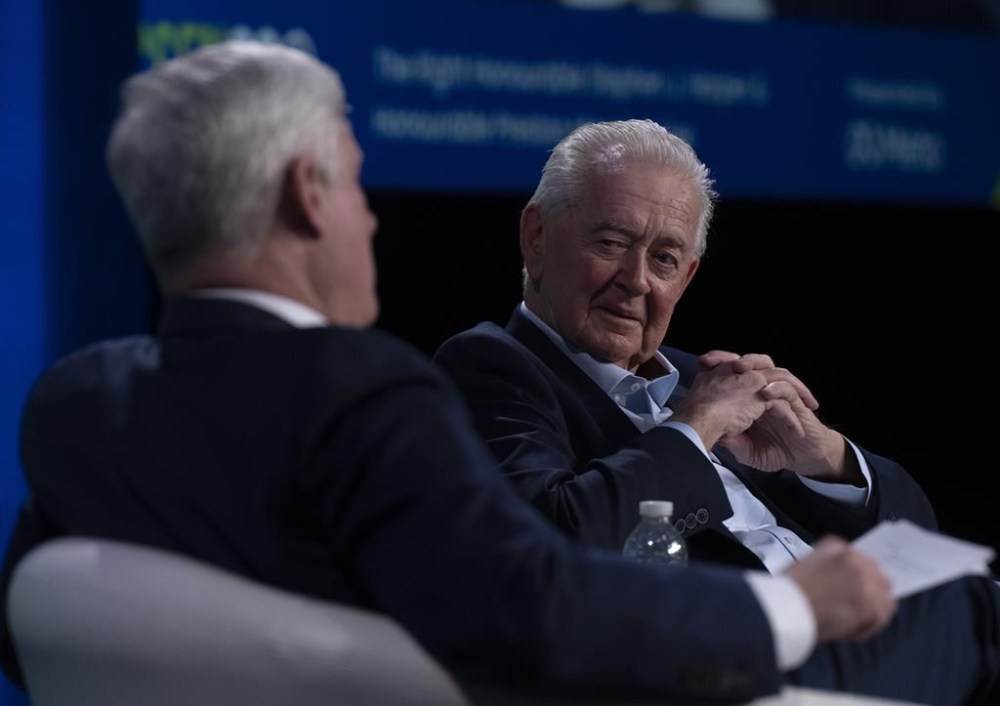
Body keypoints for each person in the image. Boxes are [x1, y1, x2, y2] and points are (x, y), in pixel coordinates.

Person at [0, 41, 997, 706]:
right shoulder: (372, 393)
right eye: (358, 184)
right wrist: (792, 609)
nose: (372, 219)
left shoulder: (76, 399)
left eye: (665, 258)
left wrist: (825, 460)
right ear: (308, 194)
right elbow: (534, 601)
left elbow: (33, 624)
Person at [432, 118, 935, 572]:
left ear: (687, 277)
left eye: (664, 259)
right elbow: (552, 538)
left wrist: (824, 457)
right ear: (536, 237)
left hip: (876, 620)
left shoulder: (703, 382)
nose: (637, 280)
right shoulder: (489, 368)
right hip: (755, 633)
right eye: (611, 243)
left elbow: (919, 540)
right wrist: (697, 427)